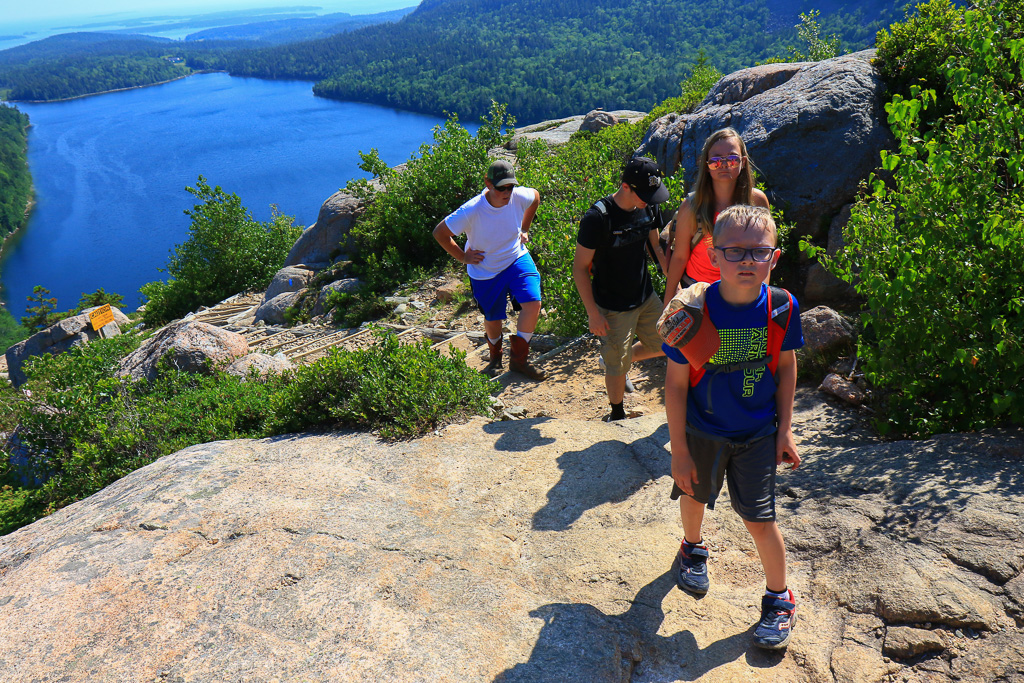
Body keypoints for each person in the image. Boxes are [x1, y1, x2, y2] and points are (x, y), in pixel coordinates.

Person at [661, 204, 804, 650]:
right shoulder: (692, 311)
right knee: (693, 493)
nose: (746, 261)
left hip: (758, 432)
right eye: (735, 251)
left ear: (774, 258)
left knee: (760, 518)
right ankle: (693, 547)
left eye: (757, 252)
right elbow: (676, 386)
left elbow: (785, 366)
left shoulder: (781, 306)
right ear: (713, 254)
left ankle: (780, 598)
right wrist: (679, 449)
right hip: (704, 429)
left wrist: (785, 429)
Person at [573, 157, 669, 421]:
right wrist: (593, 313)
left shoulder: (648, 206)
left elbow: (654, 242)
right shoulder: (598, 218)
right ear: (625, 186)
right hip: (612, 304)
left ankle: (622, 360)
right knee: (616, 365)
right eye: (644, 194)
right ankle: (616, 414)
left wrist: (667, 267)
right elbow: (579, 268)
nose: (649, 200)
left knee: (667, 343)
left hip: (645, 296)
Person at [433, 159, 546, 380]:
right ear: (488, 183)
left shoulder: (519, 196)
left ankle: (519, 361)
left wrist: (525, 228)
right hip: (485, 270)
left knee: (533, 303)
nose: (507, 192)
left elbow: (536, 198)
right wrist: (463, 256)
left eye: (510, 187)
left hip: (516, 257)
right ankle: (495, 359)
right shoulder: (472, 210)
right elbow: (440, 233)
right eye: (501, 187)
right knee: (493, 317)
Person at [663, 128, 770, 307]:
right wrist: (669, 300)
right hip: (699, 295)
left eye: (732, 159)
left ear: (743, 162)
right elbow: (680, 256)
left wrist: (762, 294)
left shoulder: (757, 201)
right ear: (706, 165)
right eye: (715, 160)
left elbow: (764, 253)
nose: (724, 164)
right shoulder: (691, 206)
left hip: (744, 293)